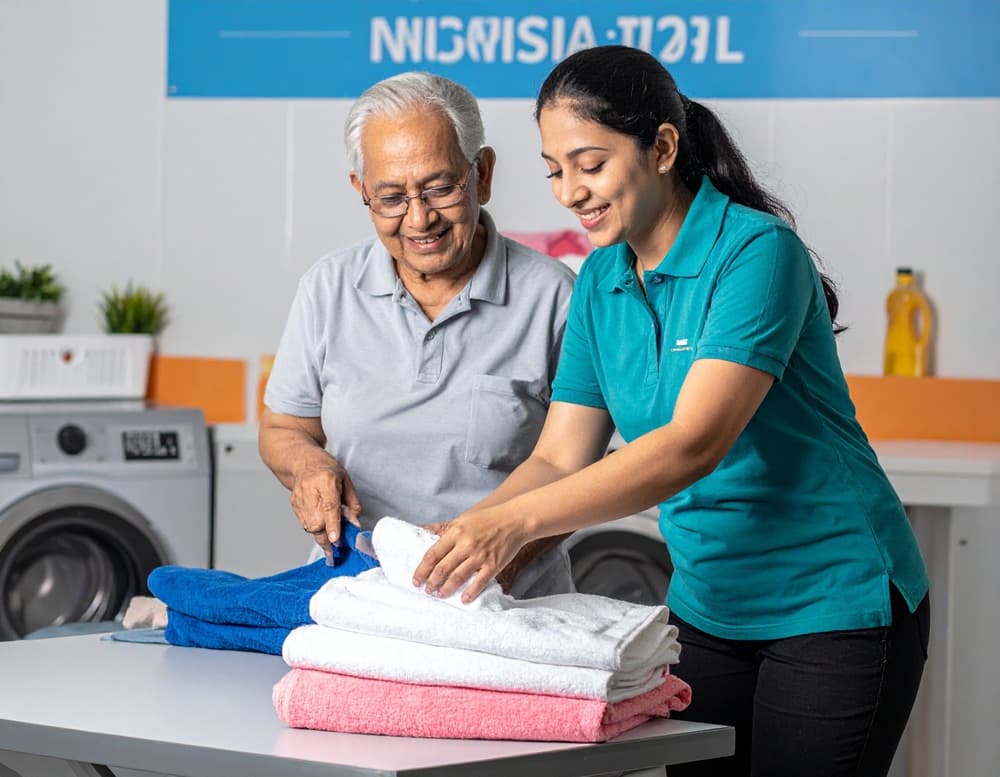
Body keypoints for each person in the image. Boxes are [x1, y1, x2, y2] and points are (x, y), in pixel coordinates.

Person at [413, 46, 929, 777]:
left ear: (661, 147)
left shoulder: (757, 252)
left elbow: (693, 444)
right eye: (555, 169)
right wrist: (469, 533)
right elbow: (560, 454)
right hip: (707, 607)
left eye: (590, 164)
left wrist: (515, 524)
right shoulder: (600, 278)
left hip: (833, 602)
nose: (569, 191)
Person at [259, 72, 577, 598]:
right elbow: (282, 428)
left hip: (506, 603)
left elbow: (581, 471)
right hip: (358, 597)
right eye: (391, 197)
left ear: (483, 173)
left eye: (439, 187)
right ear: (361, 191)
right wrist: (308, 464)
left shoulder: (554, 298)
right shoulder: (328, 288)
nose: (419, 218)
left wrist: (502, 562)